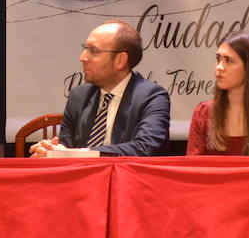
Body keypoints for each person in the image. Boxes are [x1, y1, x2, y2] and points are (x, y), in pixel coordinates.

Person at [31, 20, 170, 157]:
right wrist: (51, 151)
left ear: (120, 60)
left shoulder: (152, 96)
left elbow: (144, 147)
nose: (82, 57)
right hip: (83, 177)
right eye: (85, 48)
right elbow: (66, 146)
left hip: (128, 177)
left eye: (93, 50)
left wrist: (83, 154)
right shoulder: (79, 96)